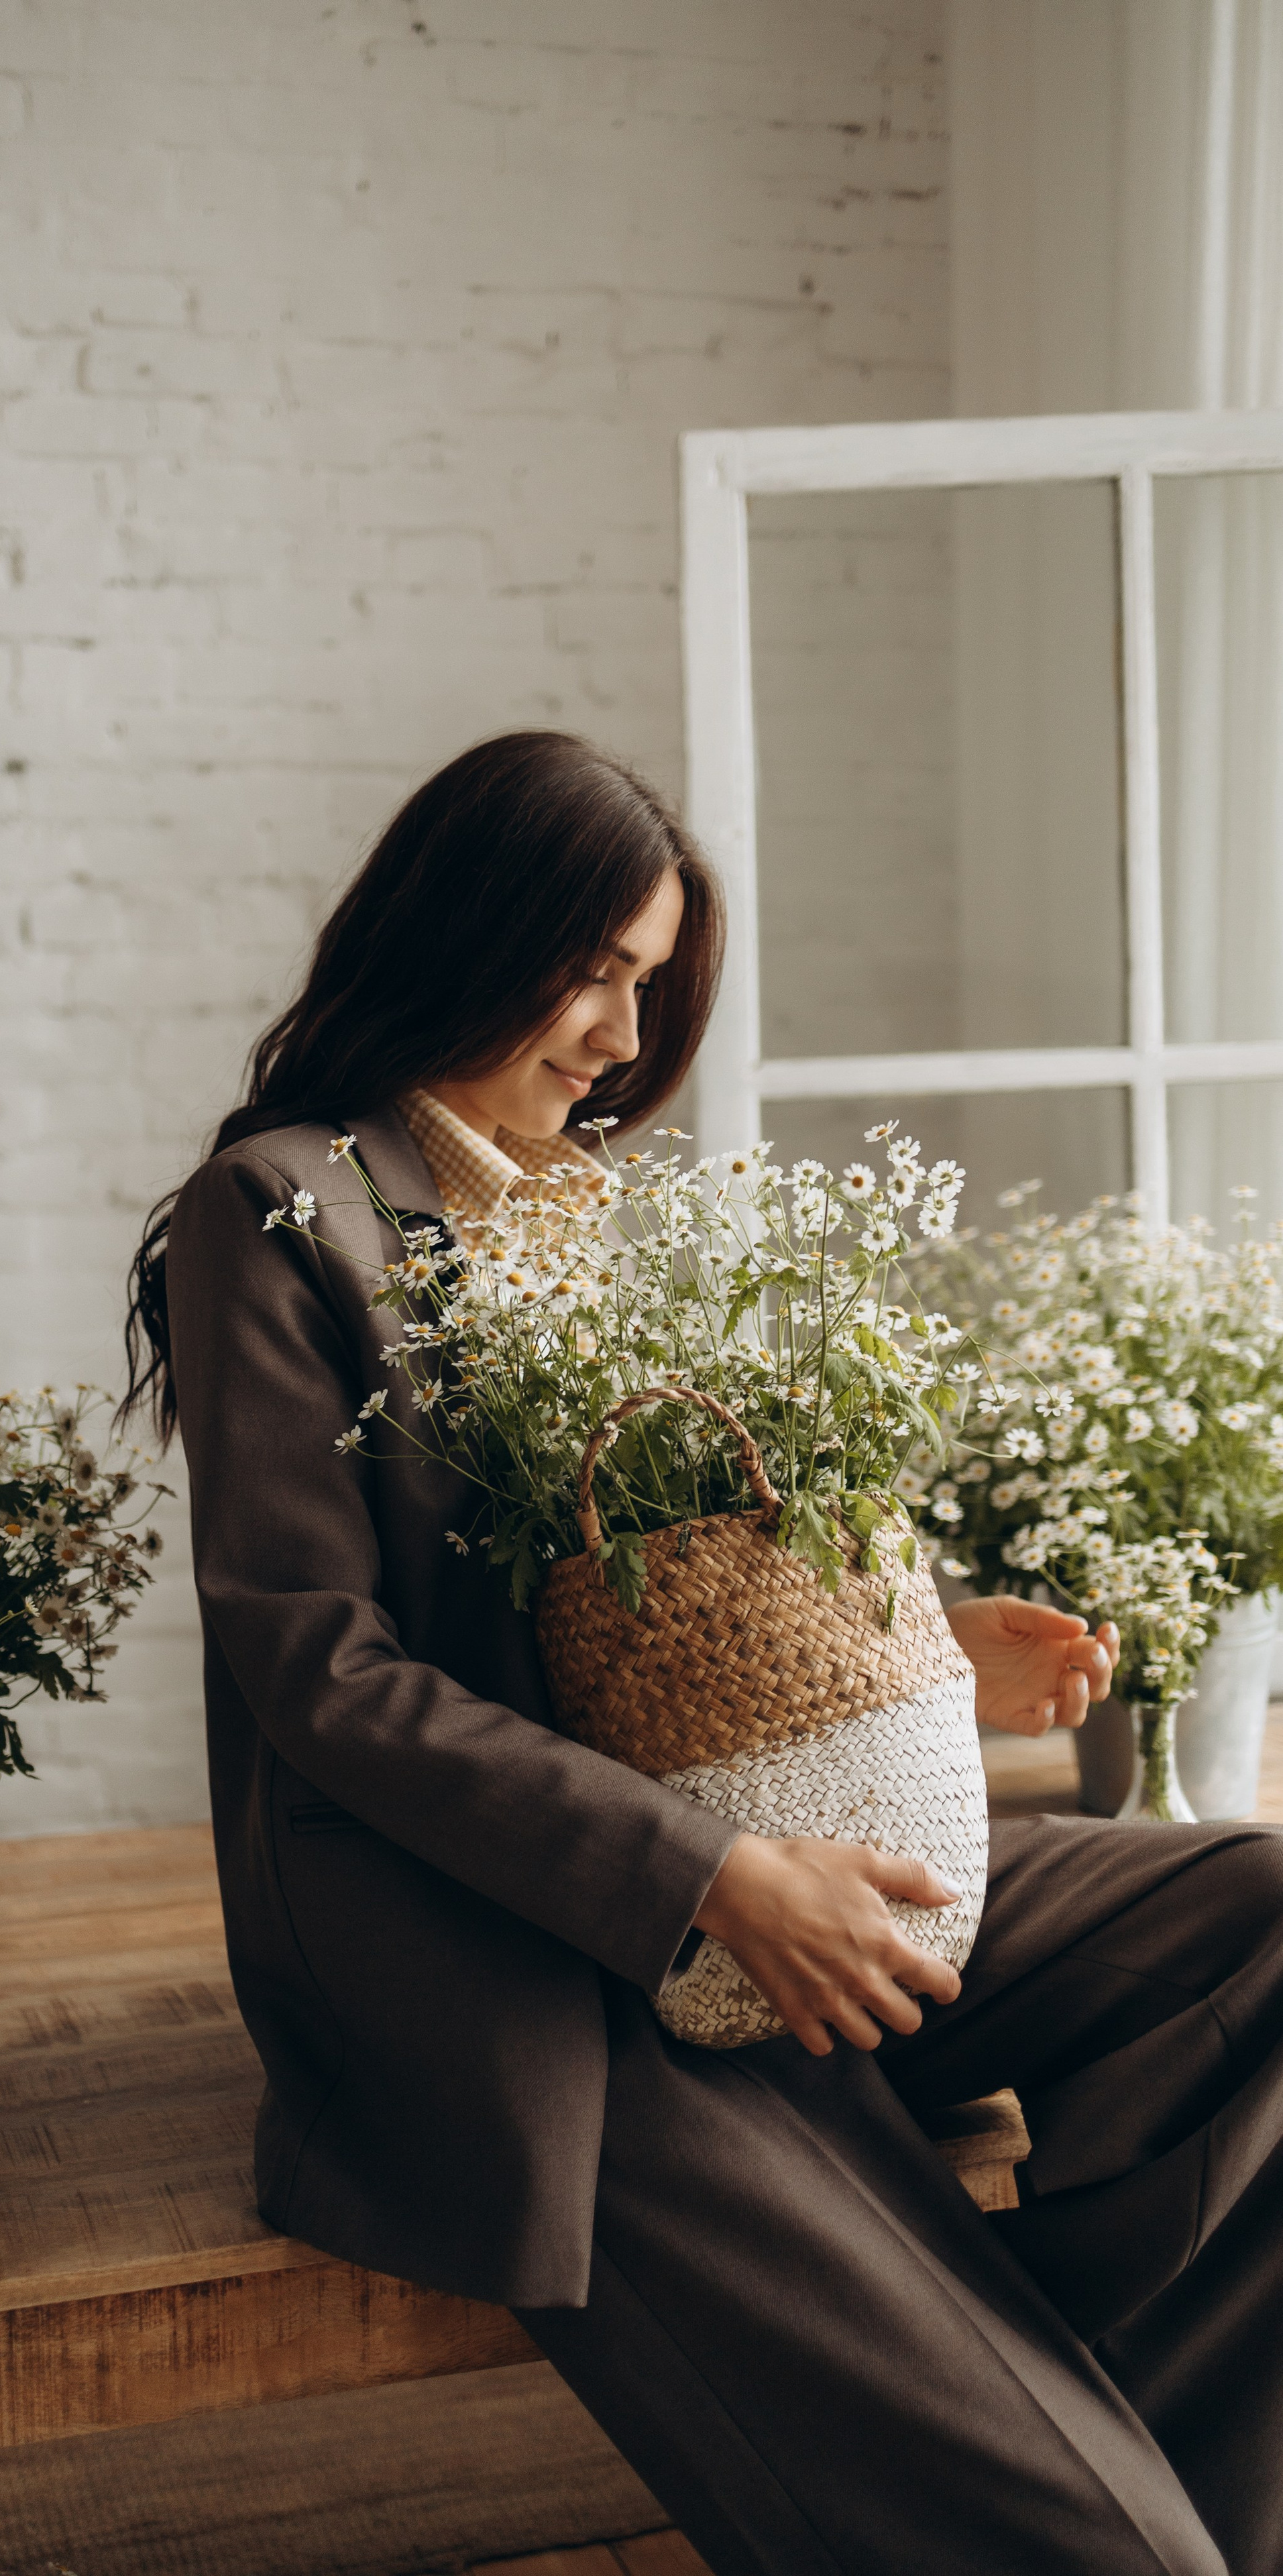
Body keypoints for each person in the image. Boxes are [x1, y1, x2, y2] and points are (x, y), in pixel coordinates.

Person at [129, 731, 1283, 2576]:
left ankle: (1092, 2439)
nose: (616, 1028)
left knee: (1262, 1906)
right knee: (1109, 2552)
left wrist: (911, 1642)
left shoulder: (586, 1206)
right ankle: (1079, 2479)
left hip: (763, 1855)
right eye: (589, 966)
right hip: (522, 1953)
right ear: (467, 932)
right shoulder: (281, 1210)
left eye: (646, 979)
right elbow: (320, 1671)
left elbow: (661, 1579)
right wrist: (711, 1879)